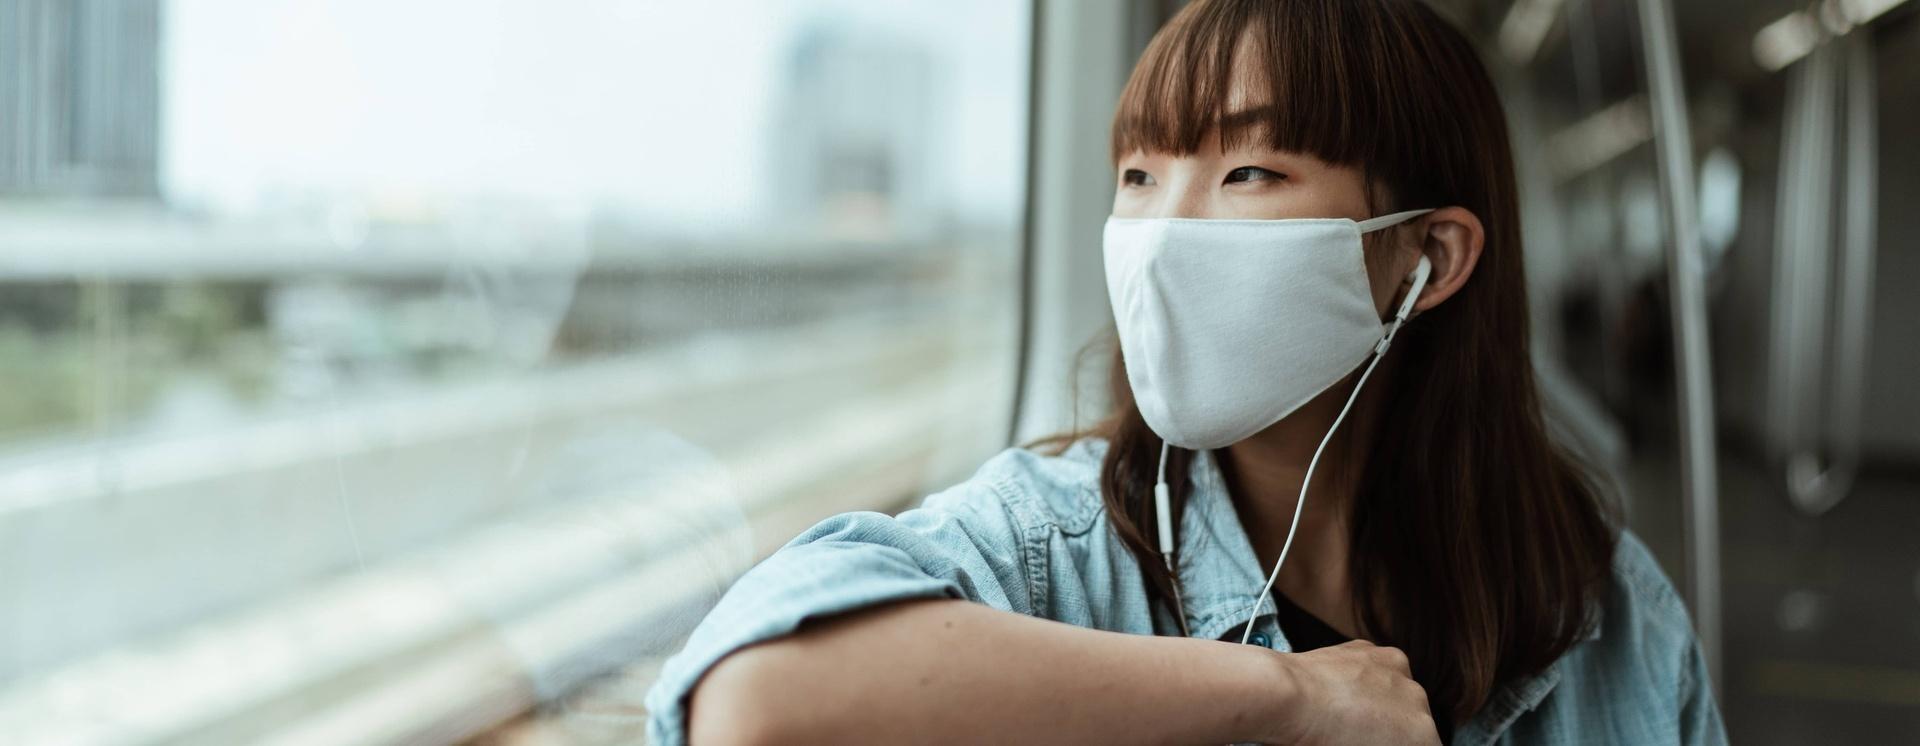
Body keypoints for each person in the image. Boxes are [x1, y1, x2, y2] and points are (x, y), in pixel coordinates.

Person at [643, 0, 1726, 743]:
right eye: (1138, 173)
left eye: (1248, 168)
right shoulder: (1056, 547)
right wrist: (1287, 693)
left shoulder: (1605, 609)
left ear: (1426, 256)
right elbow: (752, 700)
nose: (1162, 231)